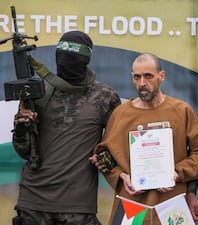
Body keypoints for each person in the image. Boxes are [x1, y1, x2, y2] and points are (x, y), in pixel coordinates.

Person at [12, 31, 121, 225]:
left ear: (85, 60)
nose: (65, 62)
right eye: (61, 57)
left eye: (72, 58)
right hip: (33, 205)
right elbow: (24, 150)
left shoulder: (105, 97)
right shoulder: (39, 92)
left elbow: (118, 146)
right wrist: (22, 124)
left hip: (77, 208)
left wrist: (104, 159)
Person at [89, 52, 198, 225]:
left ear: (161, 76)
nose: (142, 83)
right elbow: (103, 154)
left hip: (172, 205)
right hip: (131, 206)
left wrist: (177, 173)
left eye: (148, 76)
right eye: (137, 77)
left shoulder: (181, 111)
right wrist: (122, 177)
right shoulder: (120, 114)